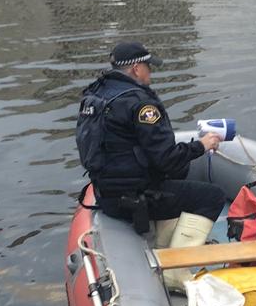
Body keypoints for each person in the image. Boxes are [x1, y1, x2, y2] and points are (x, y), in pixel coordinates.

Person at [75, 42, 227, 287]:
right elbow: (166, 159)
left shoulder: (95, 95)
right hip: (136, 201)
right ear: (136, 68)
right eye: (148, 66)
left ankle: (163, 249)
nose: (150, 72)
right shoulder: (141, 104)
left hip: (107, 195)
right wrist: (201, 145)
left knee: (175, 183)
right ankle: (176, 273)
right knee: (212, 197)